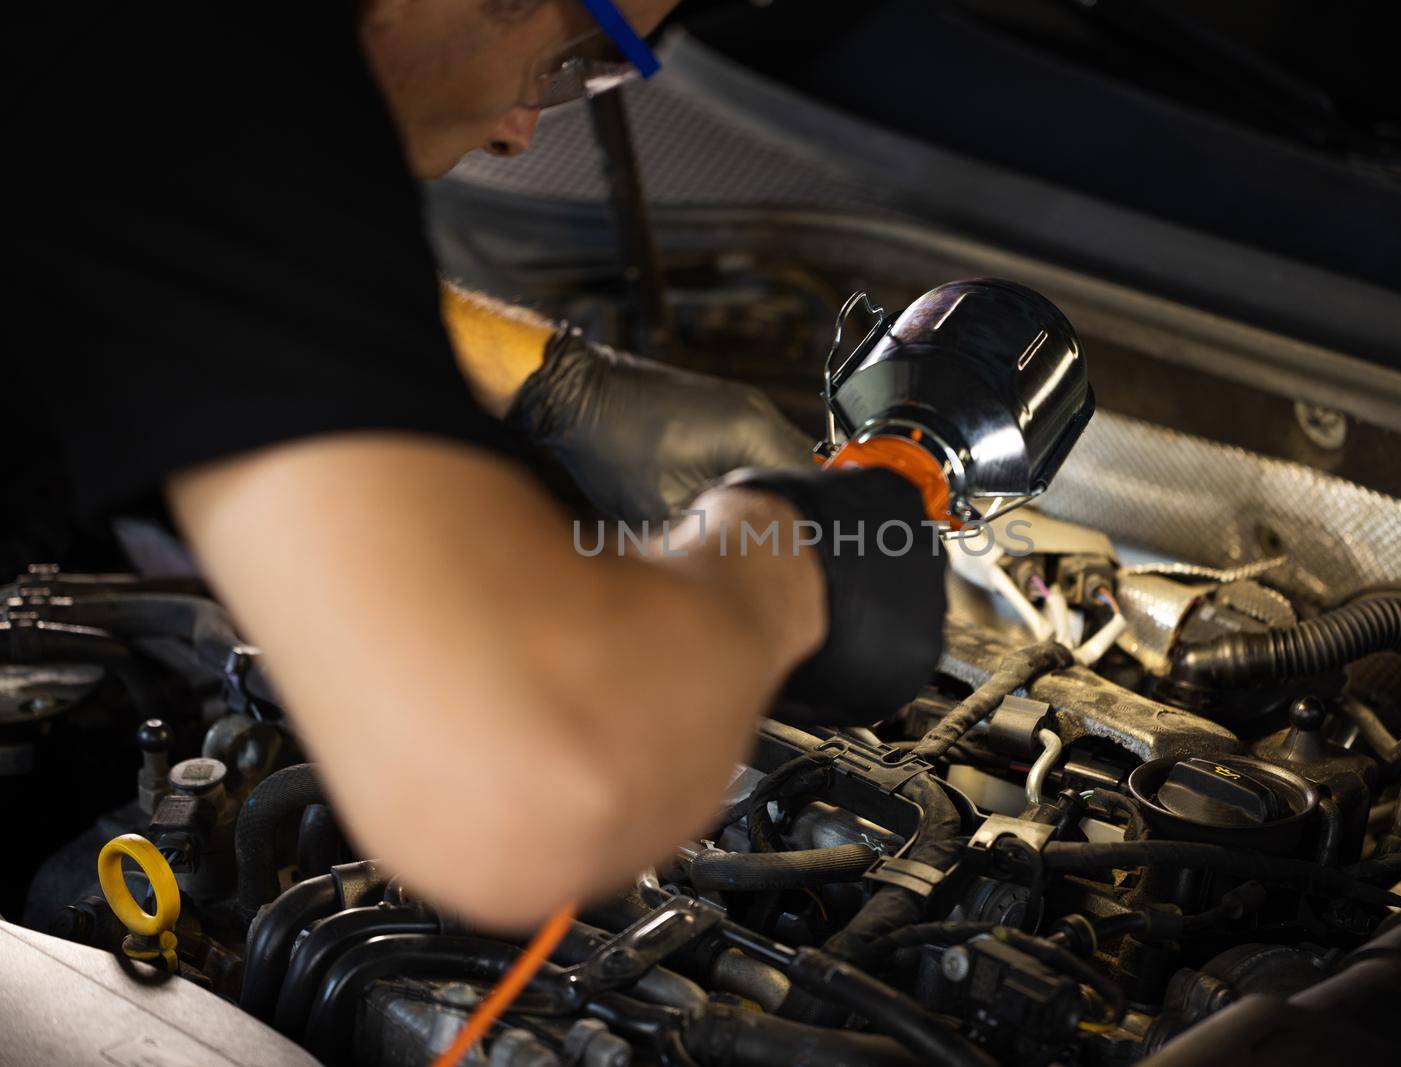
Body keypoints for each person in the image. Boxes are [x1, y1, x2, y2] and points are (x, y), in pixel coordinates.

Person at [12, 0, 944, 928]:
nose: (520, 131)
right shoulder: (189, 50)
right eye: (573, 59)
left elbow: (171, 220)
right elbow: (533, 793)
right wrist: (791, 557)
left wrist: (552, 375)